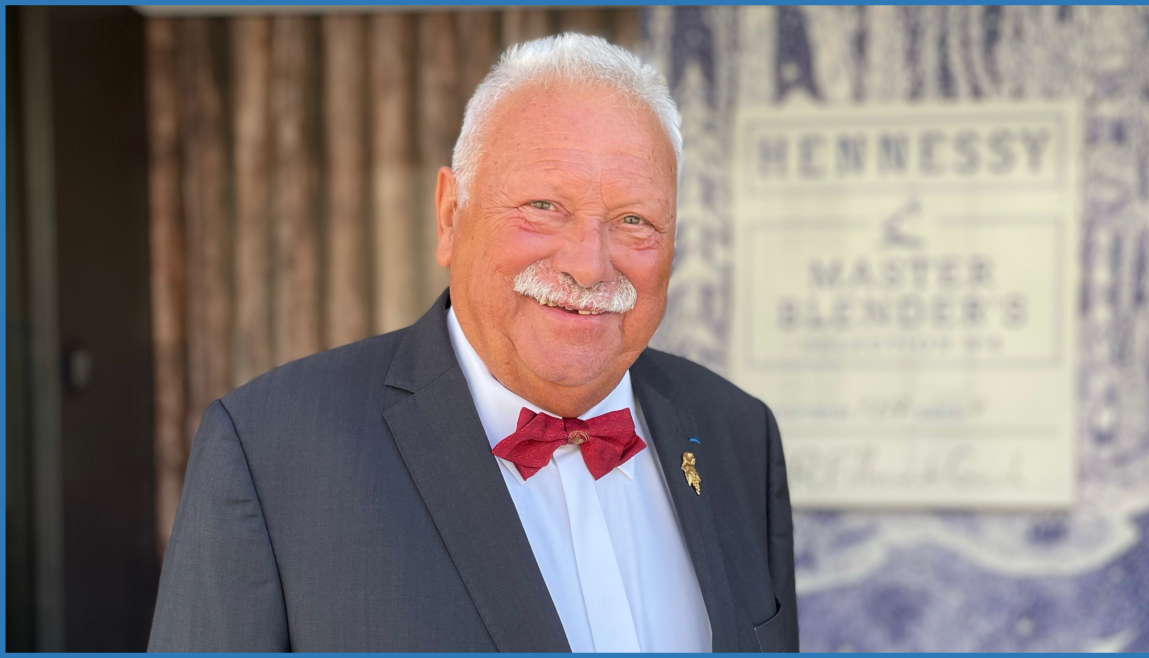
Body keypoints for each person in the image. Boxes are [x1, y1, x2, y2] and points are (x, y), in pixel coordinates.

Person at [148, 33, 798, 653]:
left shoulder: (739, 434)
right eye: (544, 206)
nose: (589, 265)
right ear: (449, 215)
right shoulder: (271, 451)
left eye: (634, 220)